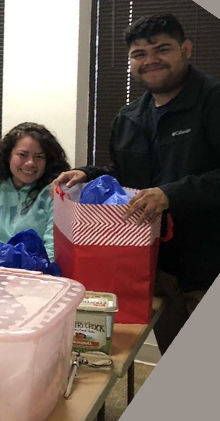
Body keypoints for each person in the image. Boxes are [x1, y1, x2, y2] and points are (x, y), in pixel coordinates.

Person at [54, 14, 220, 354]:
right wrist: (89, 173)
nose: (150, 60)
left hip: (207, 266)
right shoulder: (129, 117)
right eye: (139, 53)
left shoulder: (213, 101)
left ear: (186, 49)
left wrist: (170, 194)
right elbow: (124, 175)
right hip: (155, 268)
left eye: (162, 49)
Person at [0, 123, 70, 260]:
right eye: (23, 155)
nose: (30, 162)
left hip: (39, 275)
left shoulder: (54, 194)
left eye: (39, 157)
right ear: (8, 156)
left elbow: (53, 249)